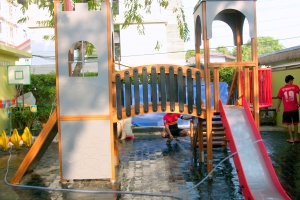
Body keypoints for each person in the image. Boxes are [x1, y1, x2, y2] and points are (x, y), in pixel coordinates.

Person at [276, 75, 300, 143]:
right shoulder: (295, 86)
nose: (292, 82)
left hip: (287, 110)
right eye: (292, 80)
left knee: (288, 124)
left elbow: (279, 99)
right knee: (295, 123)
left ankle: (291, 139)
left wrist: (277, 107)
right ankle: (296, 138)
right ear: (290, 80)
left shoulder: (281, 89)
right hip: (295, 108)